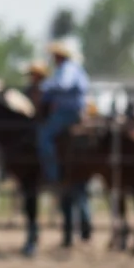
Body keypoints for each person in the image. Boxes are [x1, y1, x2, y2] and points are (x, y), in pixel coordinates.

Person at [37, 38, 89, 182]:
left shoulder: (68, 68)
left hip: (68, 112)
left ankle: (52, 176)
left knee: (44, 136)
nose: (53, 58)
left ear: (60, 56)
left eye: (55, 55)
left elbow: (63, 85)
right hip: (68, 111)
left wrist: (44, 87)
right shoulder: (68, 67)